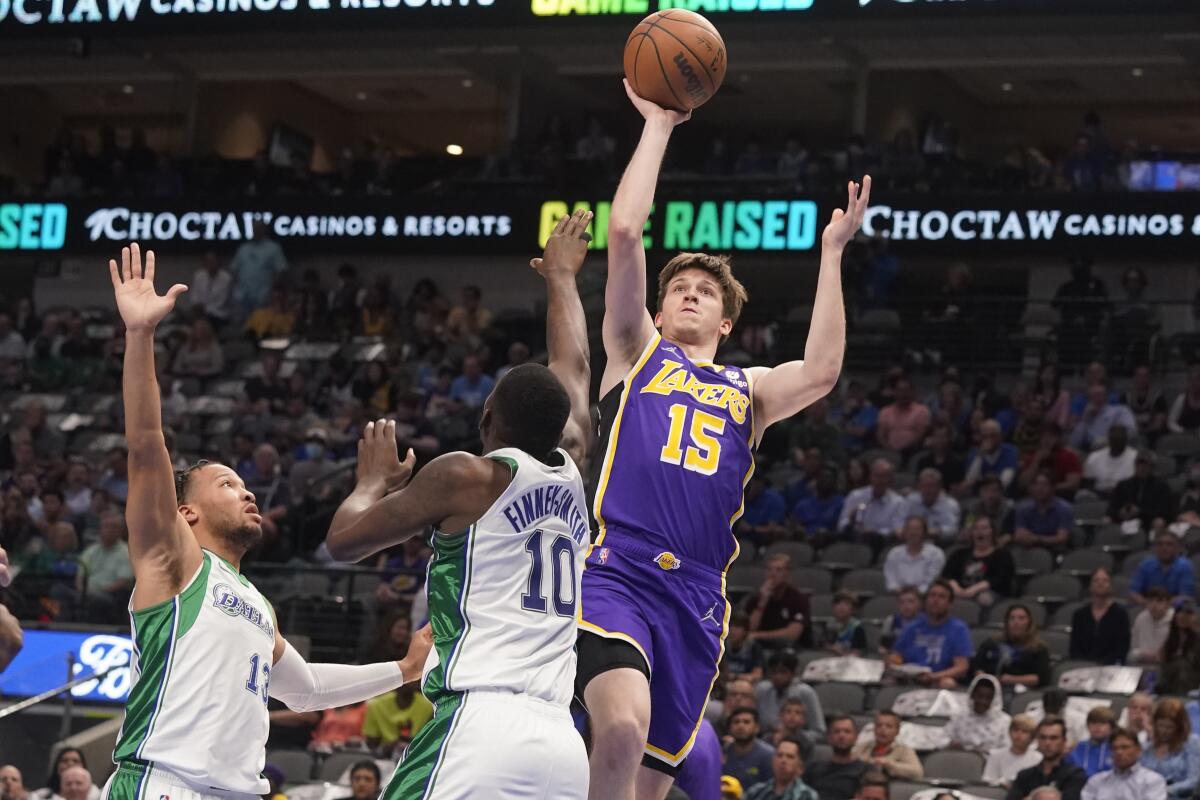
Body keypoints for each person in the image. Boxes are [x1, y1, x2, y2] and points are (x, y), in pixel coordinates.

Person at [100, 243, 431, 800]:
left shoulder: (257, 603)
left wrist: (402, 669)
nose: (247, 489)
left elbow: (306, 690)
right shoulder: (174, 561)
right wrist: (140, 336)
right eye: (228, 484)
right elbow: (144, 446)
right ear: (187, 513)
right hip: (164, 784)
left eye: (245, 482)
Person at [322, 213, 596, 798]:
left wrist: (371, 483)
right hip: (563, 742)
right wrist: (562, 279)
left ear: (486, 415)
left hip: (481, 723)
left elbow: (343, 543)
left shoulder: (467, 477)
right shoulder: (574, 468)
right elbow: (574, 369)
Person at [889, 579, 973, 688]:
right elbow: (896, 656)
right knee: (889, 681)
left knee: (947, 683)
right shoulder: (912, 628)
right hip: (910, 678)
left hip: (938, 679)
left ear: (950, 603)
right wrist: (893, 663)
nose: (935, 600)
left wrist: (934, 676)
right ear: (925, 601)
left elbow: (962, 667)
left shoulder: (959, 629)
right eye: (932, 596)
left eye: (941, 597)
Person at [972, 603, 1052, 689]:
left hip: (1023, 691)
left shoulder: (1039, 648)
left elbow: (1041, 678)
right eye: (1011, 618)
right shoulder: (992, 643)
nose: (1016, 622)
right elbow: (977, 668)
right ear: (1006, 622)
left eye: (1021, 618)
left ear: (1029, 622)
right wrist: (986, 680)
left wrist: (1013, 679)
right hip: (990, 689)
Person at [1006, 718, 1088, 800]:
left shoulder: (1075, 775)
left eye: (1053, 738)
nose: (1047, 743)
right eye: (1043, 737)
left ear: (1064, 741)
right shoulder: (1024, 775)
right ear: (1037, 740)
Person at [837, 459, 907, 553]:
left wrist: (873, 532)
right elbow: (841, 524)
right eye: (876, 476)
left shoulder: (898, 502)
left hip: (881, 543)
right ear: (870, 477)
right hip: (854, 539)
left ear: (891, 479)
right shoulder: (855, 496)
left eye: (884, 477)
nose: (879, 480)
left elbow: (897, 529)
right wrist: (851, 520)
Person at [1081, 727, 1168, 800]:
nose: (1119, 752)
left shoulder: (1153, 781)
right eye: (1115, 748)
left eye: (1125, 747)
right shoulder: (1096, 781)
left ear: (1138, 750)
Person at [944, 517, 1015, 605]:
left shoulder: (1002, 555)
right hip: (960, 591)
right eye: (976, 528)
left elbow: (1001, 579)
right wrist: (957, 589)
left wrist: (973, 590)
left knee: (984, 598)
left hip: (990, 592)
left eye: (984, 528)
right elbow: (948, 575)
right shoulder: (960, 554)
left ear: (993, 532)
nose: (979, 531)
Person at [745, 555, 811, 649]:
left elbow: (792, 634)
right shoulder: (756, 598)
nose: (772, 574)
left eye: (778, 570)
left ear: (787, 575)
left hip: (790, 649)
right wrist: (761, 604)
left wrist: (757, 635)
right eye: (769, 570)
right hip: (759, 648)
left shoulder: (798, 599)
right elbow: (748, 629)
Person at [754, 651, 825, 737]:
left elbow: (819, 731)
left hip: (799, 742)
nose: (777, 677)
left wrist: (792, 735)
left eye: (783, 672)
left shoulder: (805, 692)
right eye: (774, 672)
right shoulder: (762, 690)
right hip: (767, 739)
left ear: (793, 673)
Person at [1069, 568, 1132, 665]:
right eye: (1096, 580)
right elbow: (1074, 649)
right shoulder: (1079, 615)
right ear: (1090, 586)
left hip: (1110, 669)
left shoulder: (1120, 615)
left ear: (1110, 586)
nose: (1100, 583)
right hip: (1083, 668)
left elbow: (1122, 649)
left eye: (1105, 580)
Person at [1139, 698, 1200, 797]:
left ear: (1179, 726)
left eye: (1169, 727)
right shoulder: (1148, 746)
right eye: (1161, 725)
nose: (1164, 731)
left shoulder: (1191, 743)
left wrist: (1164, 790)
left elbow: (1193, 780)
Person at [230, 221, 288, 316]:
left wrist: (271, 291)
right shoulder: (243, 248)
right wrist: (236, 291)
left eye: (258, 229)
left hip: (263, 296)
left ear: (264, 231)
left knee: (260, 324)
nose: (255, 231)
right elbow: (234, 269)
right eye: (254, 229)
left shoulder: (273, 248)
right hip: (243, 296)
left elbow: (281, 270)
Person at [805, 717, 870, 800]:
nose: (841, 735)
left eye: (847, 731)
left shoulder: (866, 770)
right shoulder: (813, 768)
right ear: (829, 738)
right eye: (837, 731)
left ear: (856, 737)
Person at [1108, 453, 1175, 533]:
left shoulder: (1161, 486)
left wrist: (1140, 512)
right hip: (1125, 520)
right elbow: (1112, 508)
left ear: (1152, 467)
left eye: (1146, 465)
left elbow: (1165, 512)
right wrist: (1120, 512)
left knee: (1159, 522)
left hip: (1149, 520)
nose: (1142, 468)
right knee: (1107, 520)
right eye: (1139, 465)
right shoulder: (1123, 485)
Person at [363, 683, 434, 755]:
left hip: (417, 754)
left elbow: (430, 739)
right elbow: (371, 743)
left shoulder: (429, 706)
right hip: (385, 757)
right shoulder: (376, 705)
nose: (405, 684)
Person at [947, 674, 1011, 753]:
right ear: (972, 695)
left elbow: (1006, 749)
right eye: (979, 696)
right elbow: (946, 738)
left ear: (995, 699)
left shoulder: (1005, 721)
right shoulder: (959, 716)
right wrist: (952, 745)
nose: (982, 701)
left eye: (988, 698)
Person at [850, 711, 923, 780]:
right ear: (874, 729)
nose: (883, 729)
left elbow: (917, 773)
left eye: (889, 726)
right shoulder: (863, 747)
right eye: (879, 725)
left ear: (897, 731)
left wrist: (888, 765)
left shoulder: (904, 750)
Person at [1013, 471, 1075, 551]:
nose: (1039, 488)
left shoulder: (1064, 508)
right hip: (1029, 549)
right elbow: (1019, 534)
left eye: (1044, 485)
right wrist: (1025, 537)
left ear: (1053, 487)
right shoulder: (1023, 508)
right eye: (1036, 484)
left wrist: (1037, 539)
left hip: (1057, 550)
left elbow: (1061, 538)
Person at [1130, 531, 1195, 606]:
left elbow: (1185, 596)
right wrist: (1148, 604)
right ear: (1155, 547)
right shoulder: (1146, 564)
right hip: (1147, 607)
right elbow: (1134, 592)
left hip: (1174, 609)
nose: (1164, 548)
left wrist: (1163, 606)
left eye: (1169, 544)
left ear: (1177, 548)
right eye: (1160, 544)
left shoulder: (1185, 566)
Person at [882, 516, 945, 593]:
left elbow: (930, 582)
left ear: (924, 532)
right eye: (909, 529)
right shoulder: (894, 553)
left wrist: (915, 593)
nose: (913, 533)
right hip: (896, 595)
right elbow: (890, 579)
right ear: (904, 532)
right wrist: (898, 590)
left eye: (917, 529)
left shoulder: (935, 554)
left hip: (924, 596)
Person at [1070, 383, 1137, 452]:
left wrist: (1107, 441)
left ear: (1106, 396)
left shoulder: (1120, 410)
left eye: (1098, 394)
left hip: (1115, 449)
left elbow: (1132, 432)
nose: (1096, 397)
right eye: (1092, 395)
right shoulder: (1087, 416)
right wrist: (1084, 418)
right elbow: (1074, 442)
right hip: (1091, 452)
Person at [743, 740, 818, 800]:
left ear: (800, 766)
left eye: (790, 757)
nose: (783, 760)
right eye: (779, 755)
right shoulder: (756, 792)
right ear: (772, 761)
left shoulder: (807, 796)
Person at [875, 378, 931, 457]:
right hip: (889, 451)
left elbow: (920, 435)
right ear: (894, 392)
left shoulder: (922, 410)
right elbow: (880, 435)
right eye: (900, 390)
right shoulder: (885, 411)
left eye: (907, 390)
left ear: (912, 392)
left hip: (913, 452)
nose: (903, 394)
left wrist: (904, 450)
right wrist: (889, 449)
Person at [723, 708, 776, 790]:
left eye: (746, 722)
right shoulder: (722, 753)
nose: (741, 726)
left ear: (756, 728)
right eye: (736, 722)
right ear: (729, 728)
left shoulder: (768, 755)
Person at [984, 715, 1043, 788]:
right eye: (1015, 730)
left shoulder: (1039, 759)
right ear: (1009, 732)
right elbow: (988, 781)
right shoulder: (995, 755)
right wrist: (1002, 783)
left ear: (1032, 737)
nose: (1019, 734)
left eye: (1024, 731)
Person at [903, 469, 961, 542]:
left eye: (931, 486)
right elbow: (900, 521)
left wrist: (935, 531)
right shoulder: (910, 501)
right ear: (919, 486)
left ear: (939, 487)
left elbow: (952, 530)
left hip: (940, 543)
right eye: (924, 486)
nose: (927, 490)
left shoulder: (951, 504)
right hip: (911, 541)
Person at [1157, 601, 1200, 696]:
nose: (1183, 616)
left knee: (1181, 666)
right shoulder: (1169, 637)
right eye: (1180, 612)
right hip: (1169, 682)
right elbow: (1163, 662)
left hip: (1191, 683)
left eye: (1188, 613)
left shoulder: (1197, 639)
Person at [965, 420, 1020, 492]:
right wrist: (980, 456)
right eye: (985, 436)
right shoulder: (975, 454)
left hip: (1003, 497)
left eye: (993, 435)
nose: (989, 439)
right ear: (980, 437)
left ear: (1000, 436)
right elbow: (969, 482)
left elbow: (1004, 482)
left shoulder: (1011, 451)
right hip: (978, 497)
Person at [1083, 425, 1137, 496]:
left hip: (1125, 496)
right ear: (1109, 439)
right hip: (1098, 496)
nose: (1117, 441)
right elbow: (1088, 483)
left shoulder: (1135, 457)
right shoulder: (1094, 457)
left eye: (1120, 438)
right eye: (1114, 438)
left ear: (1125, 439)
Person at [1129, 586, 1174, 664]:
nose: (1154, 605)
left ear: (1168, 604)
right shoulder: (1141, 618)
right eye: (1151, 601)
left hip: (1166, 667)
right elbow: (1132, 650)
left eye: (1159, 601)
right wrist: (1141, 654)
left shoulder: (1175, 622)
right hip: (1141, 664)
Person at [32, 750, 100, 800]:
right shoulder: (41, 795)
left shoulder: (98, 794)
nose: (70, 764)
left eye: (75, 761)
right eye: (65, 761)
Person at [1069, 707, 1116, 779]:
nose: (1097, 727)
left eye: (1102, 723)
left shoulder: (1116, 748)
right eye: (1093, 723)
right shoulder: (1078, 747)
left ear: (1112, 727)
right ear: (1088, 726)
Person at [189, 252, 233, 325]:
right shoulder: (198, 276)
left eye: (213, 261)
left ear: (219, 262)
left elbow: (222, 302)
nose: (210, 264)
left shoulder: (226, 279)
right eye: (207, 261)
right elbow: (194, 296)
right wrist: (197, 306)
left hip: (218, 314)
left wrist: (205, 310)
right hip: (199, 313)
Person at [820, 591, 868, 656]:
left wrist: (840, 652)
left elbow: (856, 654)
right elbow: (824, 647)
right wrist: (831, 648)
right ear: (833, 607)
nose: (841, 607)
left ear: (853, 609)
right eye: (838, 603)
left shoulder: (858, 628)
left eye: (846, 604)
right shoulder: (829, 625)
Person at [722, 614, 766, 682]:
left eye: (738, 627)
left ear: (745, 631)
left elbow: (757, 675)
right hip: (725, 683)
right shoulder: (722, 645)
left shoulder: (753, 647)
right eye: (731, 626)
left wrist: (735, 677)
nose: (733, 630)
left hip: (746, 684)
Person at [879, 586, 922, 652]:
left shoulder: (927, 622)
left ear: (919, 603)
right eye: (902, 602)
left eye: (911, 601)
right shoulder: (891, 620)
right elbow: (883, 647)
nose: (906, 605)